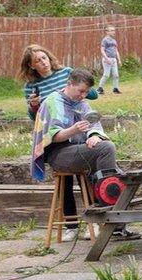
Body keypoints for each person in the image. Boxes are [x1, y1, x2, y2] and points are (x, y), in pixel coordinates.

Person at [30, 68, 139, 240]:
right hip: (58, 154)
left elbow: (94, 125)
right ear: (70, 84)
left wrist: (94, 136)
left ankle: (112, 223)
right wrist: (72, 130)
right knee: (107, 149)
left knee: (118, 173)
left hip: (79, 150)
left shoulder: (82, 103)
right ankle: (108, 222)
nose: (83, 95)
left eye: (87, 92)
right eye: (81, 91)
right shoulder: (53, 102)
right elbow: (51, 137)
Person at [19, 44, 98, 241]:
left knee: (84, 174)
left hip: (76, 128)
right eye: (37, 60)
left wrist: (76, 90)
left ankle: (95, 221)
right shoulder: (31, 87)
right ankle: (71, 226)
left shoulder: (66, 73)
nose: (43, 62)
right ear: (31, 66)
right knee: (65, 181)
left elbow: (92, 94)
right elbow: (35, 117)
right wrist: (33, 106)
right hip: (55, 134)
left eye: (44, 57)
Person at [97, 25, 121, 95]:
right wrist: (106, 59)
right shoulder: (105, 40)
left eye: (114, 30)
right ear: (107, 32)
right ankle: (100, 89)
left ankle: (115, 89)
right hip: (107, 59)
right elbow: (102, 50)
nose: (114, 32)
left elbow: (116, 50)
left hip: (114, 60)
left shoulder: (114, 40)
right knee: (106, 75)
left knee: (116, 75)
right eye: (112, 30)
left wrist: (119, 60)